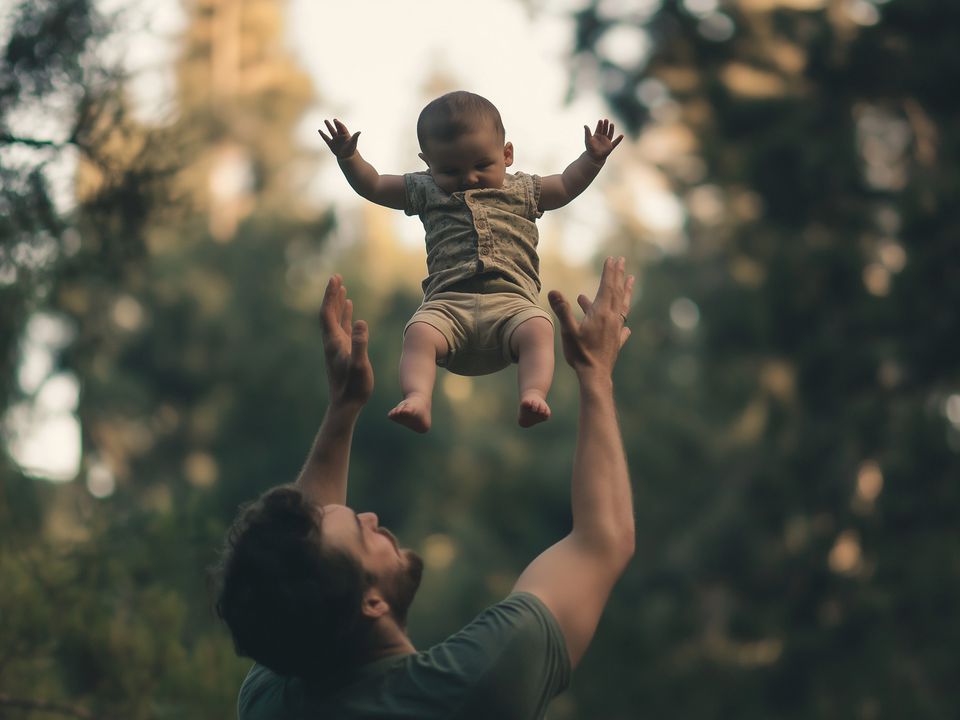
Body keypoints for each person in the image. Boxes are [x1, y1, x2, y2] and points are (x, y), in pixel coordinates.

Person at [214, 257, 635, 719]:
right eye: (361, 533)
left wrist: (344, 409)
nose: (370, 517)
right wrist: (595, 371)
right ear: (370, 602)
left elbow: (298, 569)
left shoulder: (276, 695)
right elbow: (601, 541)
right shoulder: (475, 684)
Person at [319, 91, 623, 432]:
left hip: (511, 304)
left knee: (538, 326)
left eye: (482, 165)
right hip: (447, 305)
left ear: (507, 154)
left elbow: (566, 185)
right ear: (428, 163)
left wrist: (592, 159)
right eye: (450, 169)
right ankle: (418, 397)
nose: (469, 178)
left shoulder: (524, 190)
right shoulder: (426, 189)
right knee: (419, 332)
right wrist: (349, 158)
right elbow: (374, 185)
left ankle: (533, 393)